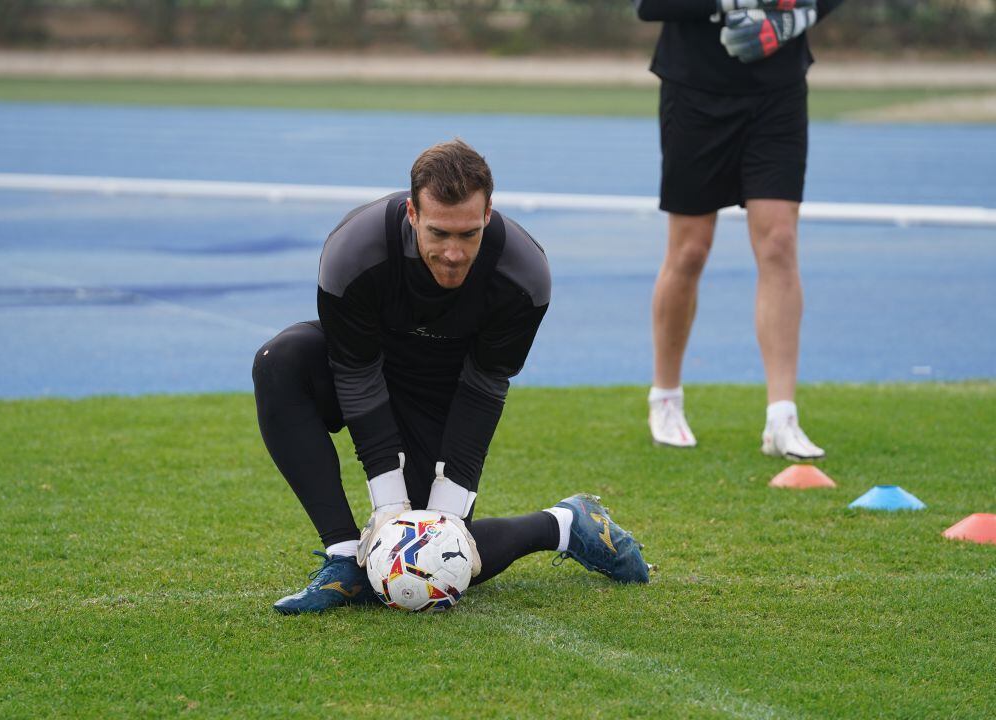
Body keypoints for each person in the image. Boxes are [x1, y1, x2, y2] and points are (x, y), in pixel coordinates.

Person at [253, 139, 650, 614]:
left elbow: (483, 389)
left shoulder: (522, 275)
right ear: (412, 214)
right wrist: (389, 511)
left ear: (487, 216)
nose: (454, 253)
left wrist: (445, 513)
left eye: (468, 235)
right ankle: (344, 561)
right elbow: (356, 371)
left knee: (438, 562)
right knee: (280, 361)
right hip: (364, 370)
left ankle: (565, 524)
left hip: (443, 395)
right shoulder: (354, 252)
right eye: (439, 233)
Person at [634, 0, 844, 460]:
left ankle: (782, 417)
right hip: (694, 86)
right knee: (689, 250)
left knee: (779, 241)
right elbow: (649, 6)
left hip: (778, 89)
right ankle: (665, 398)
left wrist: (797, 16)